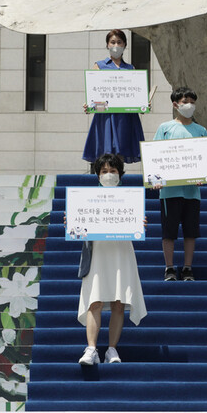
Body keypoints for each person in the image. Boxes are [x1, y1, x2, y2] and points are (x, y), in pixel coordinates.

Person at [76, 154, 147, 365]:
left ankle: (111, 350)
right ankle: (91, 349)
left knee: (119, 302)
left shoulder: (129, 198)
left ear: (120, 174)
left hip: (121, 251)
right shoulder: (86, 200)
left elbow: (136, 226)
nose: (108, 175)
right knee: (94, 300)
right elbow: (78, 226)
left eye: (113, 171)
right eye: (104, 171)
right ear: (97, 176)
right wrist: (73, 222)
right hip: (98, 251)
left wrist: (138, 224)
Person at [152, 87, 207, 281]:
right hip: (169, 191)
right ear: (176, 105)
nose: (189, 105)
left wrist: (204, 175)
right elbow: (155, 156)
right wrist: (155, 179)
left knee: (190, 231)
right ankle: (169, 268)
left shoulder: (201, 130)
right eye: (185, 102)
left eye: (192, 101)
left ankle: (187, 268)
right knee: (169, 232)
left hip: (192, 191)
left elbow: (203, 159)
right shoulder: (165, 128)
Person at [82, 29, 144, 165]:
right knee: (106, 154)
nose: (116, 45)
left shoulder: (130, 68)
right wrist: (90, 105)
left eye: (119, 42)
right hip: (106, 116)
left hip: (125, 117)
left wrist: (143, 104)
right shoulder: (99, 66)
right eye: (113, 42)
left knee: (121, 152)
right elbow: (94, 95)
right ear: (107, 45)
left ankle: (119, 181)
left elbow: (135, 97)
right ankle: (103, 182)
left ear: (125, 45)